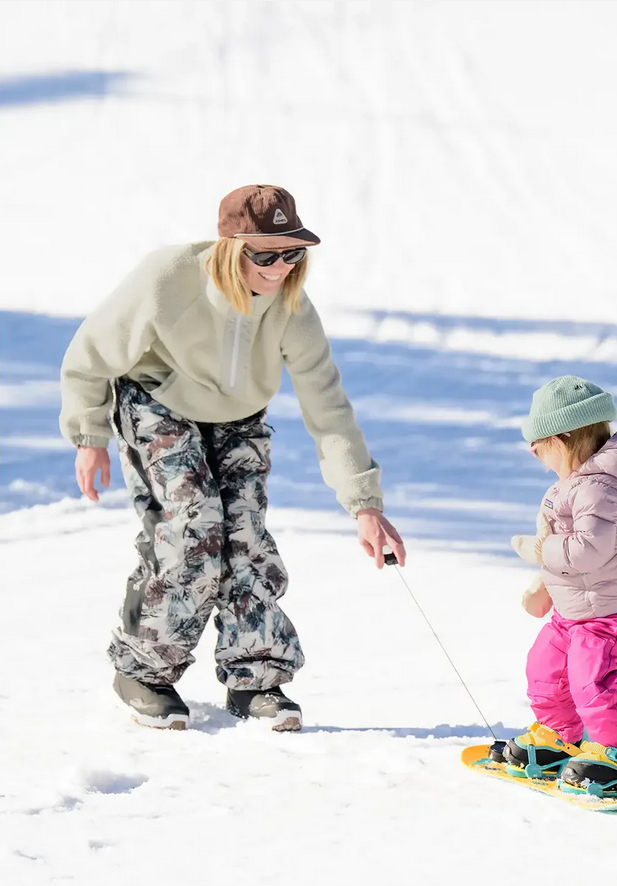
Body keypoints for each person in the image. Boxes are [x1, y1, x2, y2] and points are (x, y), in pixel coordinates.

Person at [59, 184, 406, 733]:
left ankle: (256, 680)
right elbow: (92, 351)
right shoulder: (169, 276)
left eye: (293, 253)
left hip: (239, 415)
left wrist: (363, 503)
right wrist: (89, 434)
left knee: (245, 535)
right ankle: (143, 671)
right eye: (264, 254)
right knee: (194, 524)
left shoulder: (292, 305)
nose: (279, 267)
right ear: (229, 248)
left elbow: (328, 406)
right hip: (158, 400)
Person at [499, 375, 617, 797]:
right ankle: (560, 738)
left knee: (594, 682)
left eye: (540, 442)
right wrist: (544, 586)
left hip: (611, 614)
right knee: (544, 669)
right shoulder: (572, 486)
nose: (533, 452)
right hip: (576, 608)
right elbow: (569, 556)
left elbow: (587, 552)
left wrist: (541, 550)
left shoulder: (599, 488)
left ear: (566, 438)